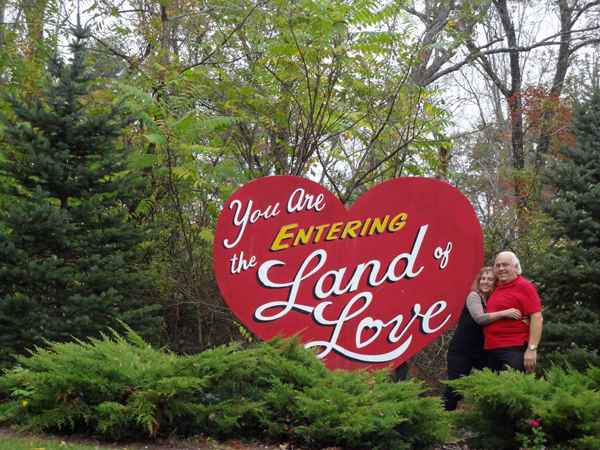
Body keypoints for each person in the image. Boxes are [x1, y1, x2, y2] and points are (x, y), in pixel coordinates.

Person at [443, 267, 523, 411]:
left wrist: (526, 319)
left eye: (490, 279)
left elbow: (515, 312)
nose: (485, 282)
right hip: (461, 352)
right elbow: (481, 319)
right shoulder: (474, 296)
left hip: (483, 353)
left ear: (496, 283)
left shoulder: (495, 301)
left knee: (494, 383)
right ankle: (440, 423)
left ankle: (490, 421)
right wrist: (505, 313)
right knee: (455, 390)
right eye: (483, 278)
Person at [484, 252, 543, 373]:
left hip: (513, 349)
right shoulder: (495, 287)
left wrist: (532, 349)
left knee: (508, 389)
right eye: (498, 265)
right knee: (493, 390)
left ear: (516, 267)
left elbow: (537, 318)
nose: (501, 269)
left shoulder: (525, 286)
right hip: (490, 349)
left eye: (505, 265)